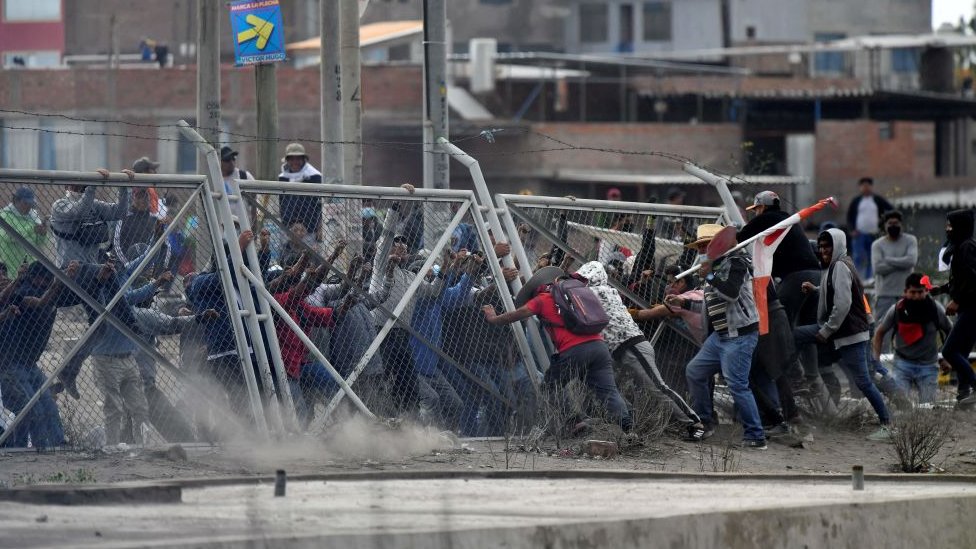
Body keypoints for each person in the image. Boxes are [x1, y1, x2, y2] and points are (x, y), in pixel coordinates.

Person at [483, 265, 633, 433]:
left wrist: (494, 318)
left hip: (575, 350)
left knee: (550, 387)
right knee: (608, 391)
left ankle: (575, 420)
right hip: (599, 346)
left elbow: (514, 315)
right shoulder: (575, 294)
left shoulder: (542, 299)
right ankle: (627, 427)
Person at [575, 260, 706, 441]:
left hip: (632, 346)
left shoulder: (598, 292)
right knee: (607, 386)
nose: (580, 282)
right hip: (622, 349)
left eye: (583, 278)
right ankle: (625, 419)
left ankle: (695, 423)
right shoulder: (603, 292)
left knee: (657, 387)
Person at [796, 228, 892, 440]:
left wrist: (826, 330)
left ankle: (888, 423)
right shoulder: (838, 265)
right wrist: (815, 290)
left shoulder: (839, 266)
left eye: (827, 246)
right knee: (797, 336)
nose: (823, 250)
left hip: (849, 334)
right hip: (844, 332)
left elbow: (842, 304)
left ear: (837, 244)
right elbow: (835, 293)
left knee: (864, 381)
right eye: (820, 247)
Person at [681, 224, 767, 450]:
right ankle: (705, 422)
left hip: (739, 335)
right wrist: (683, 303)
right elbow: (710, 304)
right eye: (699, 246)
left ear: (716, 244)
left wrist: (709, 274)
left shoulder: (736, 263)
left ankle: (756, 436)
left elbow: (729, 293)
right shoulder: (713, 268)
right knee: (695, 371)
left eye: (704, 245)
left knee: (737, 384)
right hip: (720, 336)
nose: (701, 249)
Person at [737, 190, 823, 396]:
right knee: (802, 328)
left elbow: (740, 238)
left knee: (779, 325)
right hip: (815, 275)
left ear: (762, 207)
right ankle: (812, 378)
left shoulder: (767, 219)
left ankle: (796, 378)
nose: (755, 213)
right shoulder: (787, 220)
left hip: (795, 277)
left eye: (756, 209)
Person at [873, 273, 951, 405]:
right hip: (902, 364)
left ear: (927, 291)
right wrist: (875, 361)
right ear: (905, 292)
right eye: (912, 292)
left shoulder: (936, 309)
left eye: (920, 292)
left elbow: (951, 332)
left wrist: (946, 357)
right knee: (900, 406)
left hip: (928, 365)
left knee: (927, 409)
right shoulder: (897, 309)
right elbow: (879, 333)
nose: (916, 296)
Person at [931, 209, 976, 406]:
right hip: (967, 308)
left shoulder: (967, 247)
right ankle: (964, 395)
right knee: (962, 352)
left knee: (949, 351)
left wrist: (956, 300)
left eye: (951, 225)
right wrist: (940, 290)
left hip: (972, 308)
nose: (947, 229)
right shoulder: (960, 246)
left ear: (960, 226)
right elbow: (960, 280)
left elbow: (972, 280)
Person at [51, 169, 131, 266]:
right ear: (66, 187)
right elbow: (79, 212)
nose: (78, 187)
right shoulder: (59, 205)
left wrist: (123, 186)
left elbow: (120, 212)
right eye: (73, 184)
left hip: (91, 270)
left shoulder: (94, 205)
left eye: (81, 185)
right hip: (68, 270)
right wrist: (92, 184)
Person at [871, 210, 918, 323]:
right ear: (885, 225)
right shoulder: (877, 245)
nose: (893, 226)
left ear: (901, 224)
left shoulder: (910, 240)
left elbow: (911, 261)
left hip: (906, 294)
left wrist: (887, 259)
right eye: (890, 223)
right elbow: (878, 268)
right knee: (883, 332)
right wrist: (902, 264)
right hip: (884, 295)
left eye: (896, 223)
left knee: (906, 331)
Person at [845, 177, 893, 280]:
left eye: (868, 185)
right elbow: (849, 216)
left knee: (873, 257)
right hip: (859, 235)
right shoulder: (856, 201)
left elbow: (891, 209)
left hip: (874, 234)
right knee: (858, 257)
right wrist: (852, 230)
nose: (866, 188)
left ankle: (869, 279)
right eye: (863, 186)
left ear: (871, 187)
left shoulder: (877, 200)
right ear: (860, 187)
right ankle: (857, 280)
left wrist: (884, 227)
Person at [277, 143, 324, 243]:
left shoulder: (314, 177)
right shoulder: (282, 178)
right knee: (286, 257)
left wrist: (320, 226)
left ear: (303, 159)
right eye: (291, 159)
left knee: (308, 257)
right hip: (287, 230)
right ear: (287, 160)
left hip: (310, 229)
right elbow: (282, 202)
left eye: (298, 158)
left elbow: (320, 203)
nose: (295, 162)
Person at [0, 187, 47, 276]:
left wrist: (42, 234)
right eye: (25, 203)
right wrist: (31, 229)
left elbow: (38, 242)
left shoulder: (33, 216)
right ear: (15, 201)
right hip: (10, 268)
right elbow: (8, 236)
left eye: (30, 204)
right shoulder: (4, 215)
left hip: (29, 267)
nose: (28, 207)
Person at [220, 146, 255, 224]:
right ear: (220, 161)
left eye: (233, 158)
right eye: (227, 160)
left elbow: (256, 200)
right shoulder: (216, 179)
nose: (231, 162)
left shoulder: (244, 176)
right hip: (223, 226)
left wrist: (254, 223)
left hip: (244, 225)